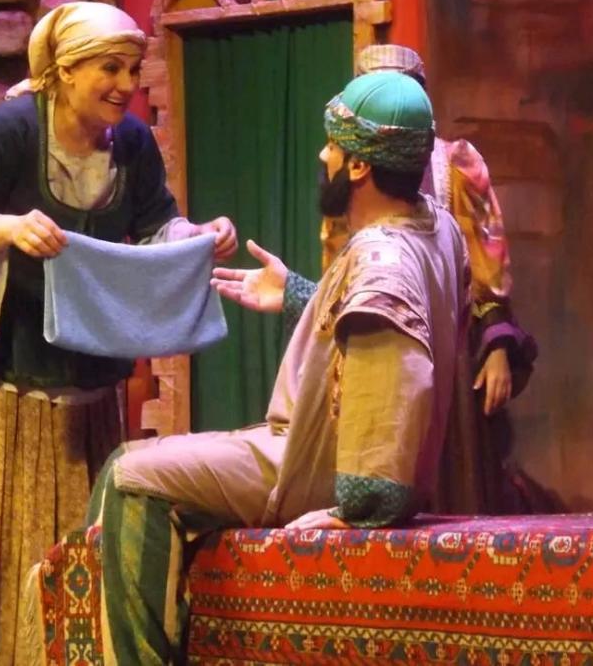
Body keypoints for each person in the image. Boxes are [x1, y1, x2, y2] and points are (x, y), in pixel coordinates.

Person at [45, 71, 470, 665]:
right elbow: (387, 325)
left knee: (129, 477)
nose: (322, 156)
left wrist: (361, 508)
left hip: (316, 464)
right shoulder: (437, 226)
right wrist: (299, 295)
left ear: (358, 166)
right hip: (323, 450)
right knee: (135, 463)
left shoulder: (383, 258)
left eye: (333, 145)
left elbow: (396, 379)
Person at [0, 1, 237, 665]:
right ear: (65, 70)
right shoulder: (11, 127)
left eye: (131, 69)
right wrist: (5, 228)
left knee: (68, 515)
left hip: (78, 353)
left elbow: (157, 224)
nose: (126, 84)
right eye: (109, 68)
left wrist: (198, 237)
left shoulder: (131, 143)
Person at [249, 44, 537, 514]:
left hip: (445, 336)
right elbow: (350, 282)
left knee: (450, 463)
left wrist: (498, 344)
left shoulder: (455, 164)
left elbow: (486, 255)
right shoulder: (351, 175)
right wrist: (295, 292)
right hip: (384, 344)